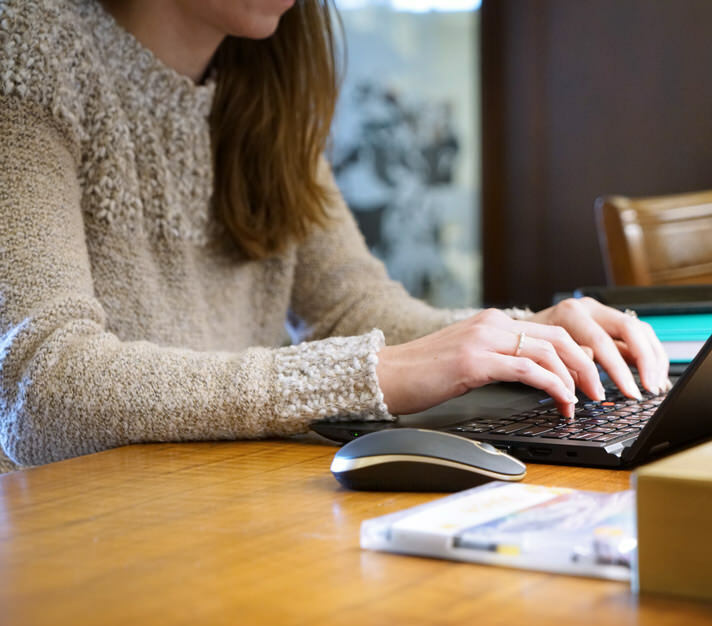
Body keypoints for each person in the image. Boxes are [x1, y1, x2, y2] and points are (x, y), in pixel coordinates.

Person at [0, 0, 668, 473]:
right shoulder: (29, 47)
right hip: (81, 542)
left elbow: (352, 310)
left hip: (222, 509)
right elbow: (43, 389)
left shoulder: (267, 79)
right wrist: (369, 374)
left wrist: (525, 338)